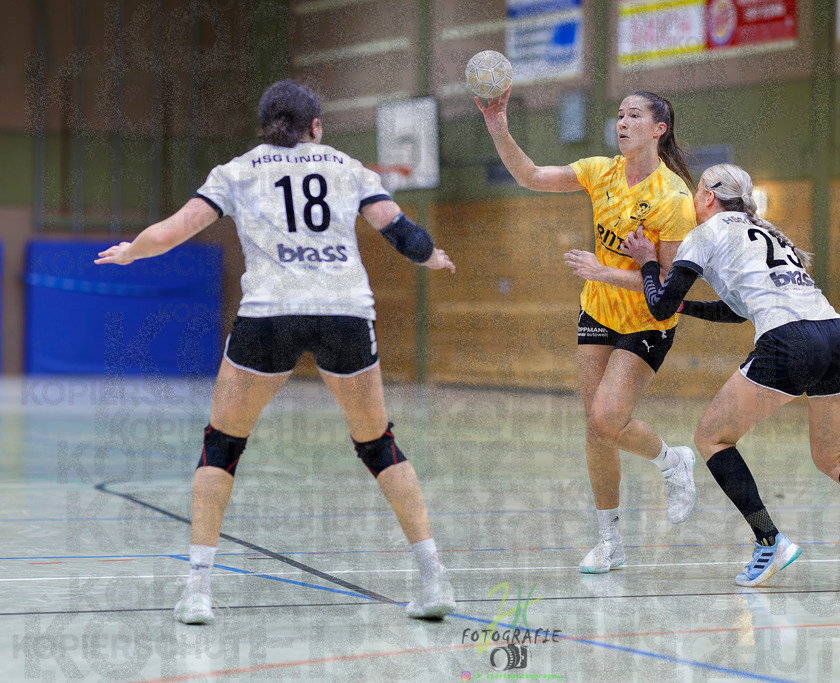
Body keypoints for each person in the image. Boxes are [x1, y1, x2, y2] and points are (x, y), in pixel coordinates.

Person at [96, 80, 458, 622]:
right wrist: (433, 259)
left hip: (270, 314)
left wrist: (132, 252)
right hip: (344, 313)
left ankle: (198, 589)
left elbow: (175, 231)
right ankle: (434, 580)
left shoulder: (237, 171)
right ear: (315, 125)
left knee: (221, 444)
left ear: (266, 125)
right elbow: (402, 234)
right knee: (378, 445)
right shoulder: (348, 166)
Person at [621, 163, 840, 586]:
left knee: (711, 438)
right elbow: (736, 312)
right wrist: (688, 306)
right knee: (833, 457)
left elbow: (659, 306)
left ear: (707, 198)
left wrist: (647, 262)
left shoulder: (705, 235)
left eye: (697, 191)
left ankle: (769, 542)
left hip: (790, 341)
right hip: (836, 335)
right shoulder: (768, 231)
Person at [476, 89, 699, 574]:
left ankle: (672, 460)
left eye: (634, 116)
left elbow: (667, 288)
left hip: (647, 320)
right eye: (618, 114)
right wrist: (499, 128)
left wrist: (605, 272)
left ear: (659, 129)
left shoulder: (674, 198)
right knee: (597, 429)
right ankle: (610, 541)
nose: (622, 123)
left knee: (606, 418)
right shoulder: (602, 171)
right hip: (598, 313)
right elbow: (532, 176)